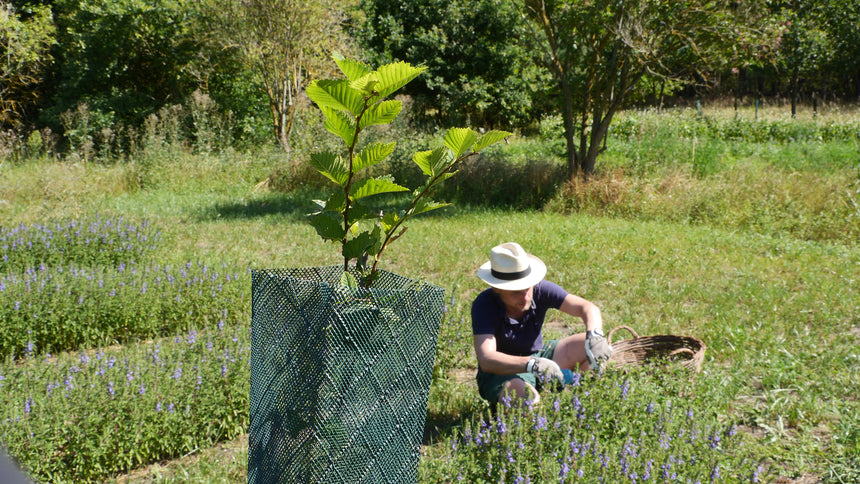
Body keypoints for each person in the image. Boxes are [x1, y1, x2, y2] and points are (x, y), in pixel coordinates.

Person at [472, 242, 612, 405]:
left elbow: (587, 307)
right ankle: (523, 403)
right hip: (504, 370)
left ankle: (576, 402)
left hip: (538, 355)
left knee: (595, 348)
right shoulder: (484, 304)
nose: (524, 296)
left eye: (527, 288)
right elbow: (487, 359)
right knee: (526, 401)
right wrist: (531, 364)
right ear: (497, 289)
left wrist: (595, 335)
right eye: (515, 291)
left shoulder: (540, 290)